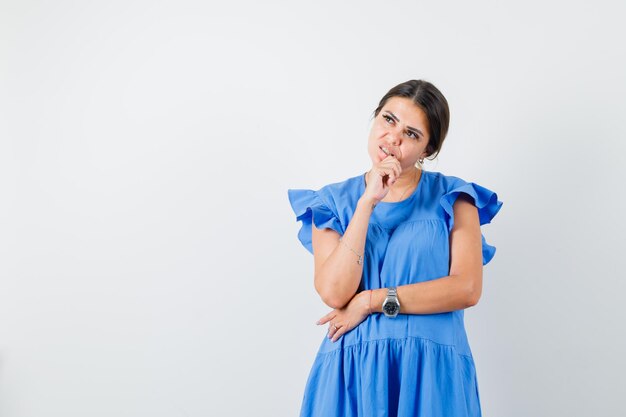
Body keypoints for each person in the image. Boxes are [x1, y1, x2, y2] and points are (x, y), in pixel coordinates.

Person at [287, 79, 503, 417]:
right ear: (374, 119)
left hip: (432, 374)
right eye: (388, 120)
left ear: (427, 150)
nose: (393, 138)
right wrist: (367, 203)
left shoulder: (455, 198)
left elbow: (467, 288)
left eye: (412, 134)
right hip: (352, 373)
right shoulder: (332, 201)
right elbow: (333, 292)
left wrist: (370, 301)